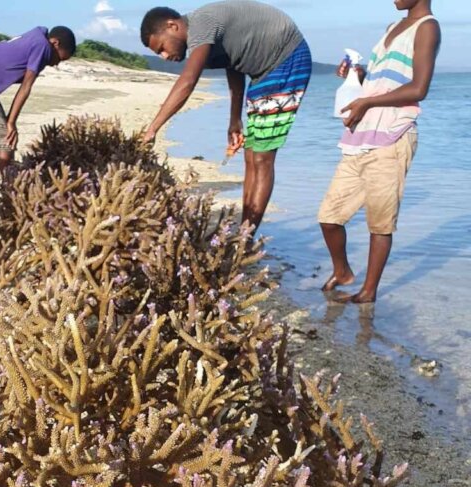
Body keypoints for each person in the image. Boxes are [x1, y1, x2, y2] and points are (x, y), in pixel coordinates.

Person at [139, 3, 311, 230]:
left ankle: (245, 239)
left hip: (287, 57)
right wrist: (234, 119)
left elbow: (188, 81)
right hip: (261, 73)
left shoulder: (201, 25)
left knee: (262, 157)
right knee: (251, 155)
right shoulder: (202, 42)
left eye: (161, 47)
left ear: (173, 26)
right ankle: (245, 231)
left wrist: (153, 128)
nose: (164, 56)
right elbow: (234, 65)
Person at [318, 0, 440, 304]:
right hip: (361, 134)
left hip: (393, 135)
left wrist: (367, 103)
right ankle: (343, 271)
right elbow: (377, 83)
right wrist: (354, 76)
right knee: (329, 217)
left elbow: (419, 88)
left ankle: (369, 292)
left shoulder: (427, 28)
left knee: (380, 221)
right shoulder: (391, 28)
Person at [0, 26, 77, 176]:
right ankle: (10, 186)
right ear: (55, 43)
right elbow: (26, 86)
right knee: (6, 138)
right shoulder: (42, 46)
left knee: (6, 138)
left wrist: (10, 121)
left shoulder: (37, 39)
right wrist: (11, 123)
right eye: (59, 58)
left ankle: (10, 181)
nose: (56, 64)